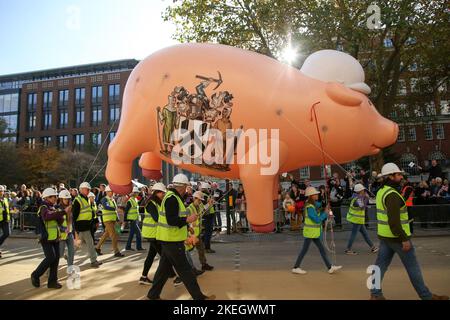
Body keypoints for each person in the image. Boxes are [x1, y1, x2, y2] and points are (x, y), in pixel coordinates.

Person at [370, 163, 448, 300]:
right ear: (390, 176)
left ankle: (375, 295)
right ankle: (426, 296)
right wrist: (404, 239)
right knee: (413, 267)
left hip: (385, 237)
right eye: (398, 174)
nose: (401, 176)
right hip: (397, 238)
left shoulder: (382, 191)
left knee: (379, 266)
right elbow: (394, 221)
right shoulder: (392, 194)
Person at [147, 173, 215, 300]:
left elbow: (173, 219)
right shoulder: (173, 198)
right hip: (172, 240)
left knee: (163, 271)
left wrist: (186, 225)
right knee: (185, 270)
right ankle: (199, 298)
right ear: (183, 186)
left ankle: (153, 295)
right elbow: (171, 220)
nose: (187, 190)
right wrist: (187, 220)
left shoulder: (171, 197)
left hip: (168, 239)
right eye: (186, 187)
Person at [292, 186, 342, 275]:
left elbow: (319, 205)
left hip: (313, 233)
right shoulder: (310, 207)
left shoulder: (312, 204)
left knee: (320, 250)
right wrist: (325, 213)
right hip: (310, 233)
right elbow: (317, 219)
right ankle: (296, 267)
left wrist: (325, 203)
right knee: (305, 250)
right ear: (311, 196)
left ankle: (330, 267)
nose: (317, 195)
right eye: (315, 194)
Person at [31, 188, 66, 289]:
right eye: (53, 196)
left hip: (54, 237)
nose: (55, 198)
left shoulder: (53, 207)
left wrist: (61, 216)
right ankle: (35, 275)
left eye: (55, 196)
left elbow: (58, 221)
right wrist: (62, 212)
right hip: (46, 237)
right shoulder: (43, 207)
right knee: (51, 257)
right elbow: (46, 217)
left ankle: (52, 282)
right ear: (46, 197)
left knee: (55, 259)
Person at [139, 183, 167, 285]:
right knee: (165, 257)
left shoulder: (157, 202)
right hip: (152, 234)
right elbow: (156, 218)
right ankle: (174, 276)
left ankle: (143, 276)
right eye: (162, 193)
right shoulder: (151, 203)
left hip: (155, 234)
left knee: (151, 256)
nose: (163, 194)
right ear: (156, 192)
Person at [72, 182, 102, 268]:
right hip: (81, 226)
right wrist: (75, 229)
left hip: (86, 225)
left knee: (78, 244)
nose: (88, 190)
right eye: (86, 189)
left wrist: (94, 220)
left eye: (89, 189)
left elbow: (90, 212)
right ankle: (93, 261)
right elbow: (74, 215)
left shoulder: (87, 199)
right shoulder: (77, 200)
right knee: (90, 244)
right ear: (81, 190)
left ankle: (68, 255)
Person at [344, 184, 378, 255]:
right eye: (363, 190)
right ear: (360, 191)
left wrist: (366, 198)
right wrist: (367, 198)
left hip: (357, 220)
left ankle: (373, 247)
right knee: (354, 235)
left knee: (365, 234)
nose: (364, 191)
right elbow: (362, 207)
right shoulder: (357, 199)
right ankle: (348, 249)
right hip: (356, 220)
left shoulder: (358, 197)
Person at [187, 191, 214, 272]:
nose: (200, 201)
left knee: (201, 248)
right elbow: (185, 220)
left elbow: (204, 209)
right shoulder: (189, 209)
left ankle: (204, 264)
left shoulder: (200, 206)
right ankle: (188, 267)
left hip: (197, 233)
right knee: (187, 251)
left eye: (201, 200)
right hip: (191, 234)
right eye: (199, 200)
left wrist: (209, 204)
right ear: (194, 198)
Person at [96, 186, 124, 257]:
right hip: (107, 220)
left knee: (106, 235)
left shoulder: (112, 200)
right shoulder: (104, 199)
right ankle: (116, 252)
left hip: (113, 220)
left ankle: (97, 248)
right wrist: (116, 209)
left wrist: (118, 219)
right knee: (114, 235)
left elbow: (115, 211)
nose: (112, 193)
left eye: (112, 191)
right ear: (107, 192)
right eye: (110, 191)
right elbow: (106, 207)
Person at [57, 189, 75, 267]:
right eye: (65, 199)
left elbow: (72, 221)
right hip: (61, 235)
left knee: (71, 251)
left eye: (68, 199)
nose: (67, 200)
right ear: (61, 199)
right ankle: (49, 270)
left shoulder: (71, 208)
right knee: (60, 254)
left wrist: (75, 232)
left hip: (70, 233)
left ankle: (70, 267)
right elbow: (56, 224)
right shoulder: (58, 209)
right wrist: (64, 229)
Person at [125, 187, 145, 251]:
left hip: (134, 219)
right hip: (132, 220)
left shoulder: (135, 200)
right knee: (139, 233)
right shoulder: (130, 201)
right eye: (137, 193)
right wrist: (125, 220)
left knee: (131, 234)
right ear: (134, 193)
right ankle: (139, 247)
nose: (138, 194)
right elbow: (126, 211)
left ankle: (128, 247)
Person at [200, 182, 216, 253]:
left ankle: (204, 246)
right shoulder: (205, 196)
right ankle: (207, 248)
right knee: (208, 232)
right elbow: (204, 207)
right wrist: (210, 203)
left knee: (206, 232)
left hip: (207, 216)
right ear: (207, 189)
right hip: (208, 216)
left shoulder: (204, 195)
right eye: (209, 189)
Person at [0, 185, 11, 258]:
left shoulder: (5, 199)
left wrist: (12, 210)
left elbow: (6, 208)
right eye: (0, 191)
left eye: (2, 191)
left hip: (5, 220)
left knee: (7, 233)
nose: (1, 192)